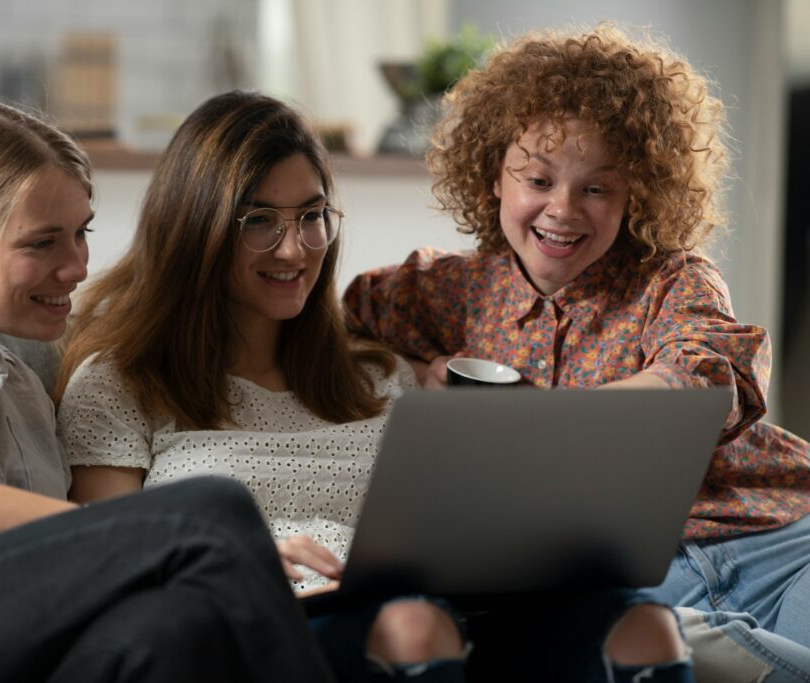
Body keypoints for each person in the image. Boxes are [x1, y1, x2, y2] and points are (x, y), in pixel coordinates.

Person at [55, 90, 692, 683]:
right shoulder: (121, 382)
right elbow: (116, 553)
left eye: (312, 216)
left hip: (450, 609)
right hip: (263, 622)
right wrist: (233, 556)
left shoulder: (377, 376)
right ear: (196, 227)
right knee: (412, 628)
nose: (294, 249)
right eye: (259, 221)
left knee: (645, 628)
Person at [0, 98, 333, 683]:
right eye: (43, 242)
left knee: (169, 622)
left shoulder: (24, 389)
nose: (76, 266)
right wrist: (168, 538)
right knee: (212, 509)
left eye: (81, 233)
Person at [343, 24, 810, 683]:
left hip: (782, 537)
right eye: (538, 178)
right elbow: (341, 325)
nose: (561, 210)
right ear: (493, 177)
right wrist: (409, 370)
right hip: (646, 575)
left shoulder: (673, 278)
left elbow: (704, 379)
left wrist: (549, 423)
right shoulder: (451, 288)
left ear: (637, 195)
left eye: (597, 188)